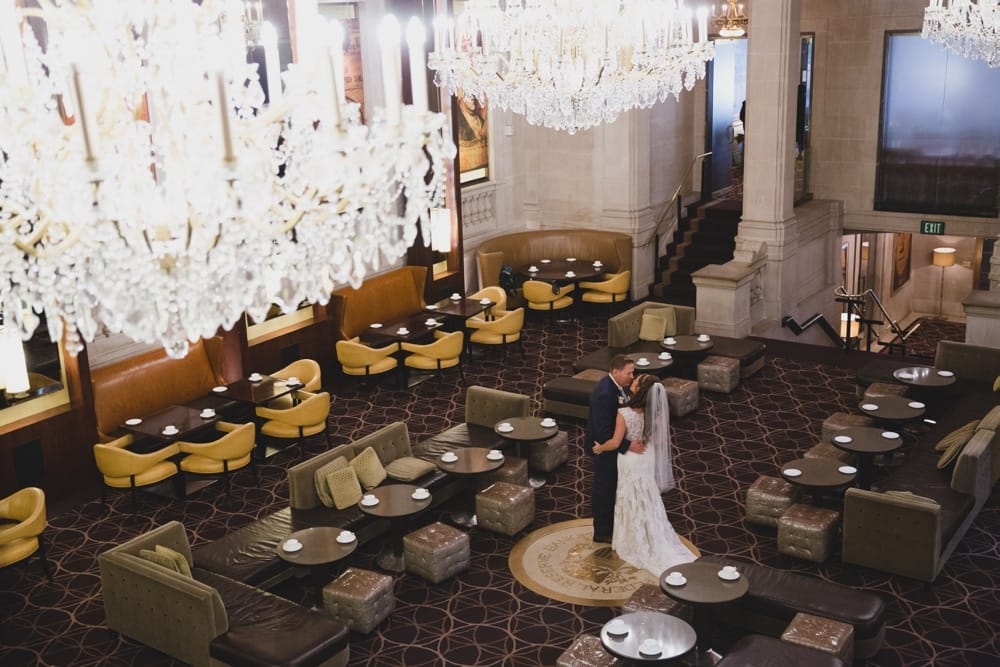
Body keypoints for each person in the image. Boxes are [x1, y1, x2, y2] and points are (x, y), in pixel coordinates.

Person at [593, 374, 694, 575]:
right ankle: (650, 531)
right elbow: (655, 440)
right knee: (647, 493)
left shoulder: (625, 413)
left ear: (640, 390)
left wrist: (599, 448)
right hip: (647, 456)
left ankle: (632, 538)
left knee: (629, 495)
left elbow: (614, 442)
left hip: (631, 458)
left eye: (636, 381)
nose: (633, 382)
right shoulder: (654, 413)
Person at [585, 354, 642, 543]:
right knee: (604, 490)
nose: (632, 377)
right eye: (629, 373)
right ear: (616, 372)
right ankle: (601, 533)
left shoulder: (619, 387)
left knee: (613, 488)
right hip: (604, 450)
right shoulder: (605, 394)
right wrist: (627, 445)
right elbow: (602, 432)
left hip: (613, 448)